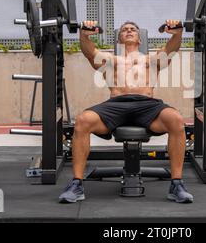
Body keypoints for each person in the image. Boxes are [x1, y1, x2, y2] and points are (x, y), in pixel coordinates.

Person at [59, 20, 193, 204]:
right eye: (124, 30)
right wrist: (83, 34)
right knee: (82, 120)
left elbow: (171, 50)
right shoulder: (110, 60)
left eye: (133, 30)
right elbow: (89, 52)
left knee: (176, 119)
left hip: (147, 104)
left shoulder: (151, 60)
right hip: (116, 104)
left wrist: (177, 33)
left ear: (139, 39)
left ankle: (176, 184)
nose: (129, 31)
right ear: (119, 39)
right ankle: (76, 184)